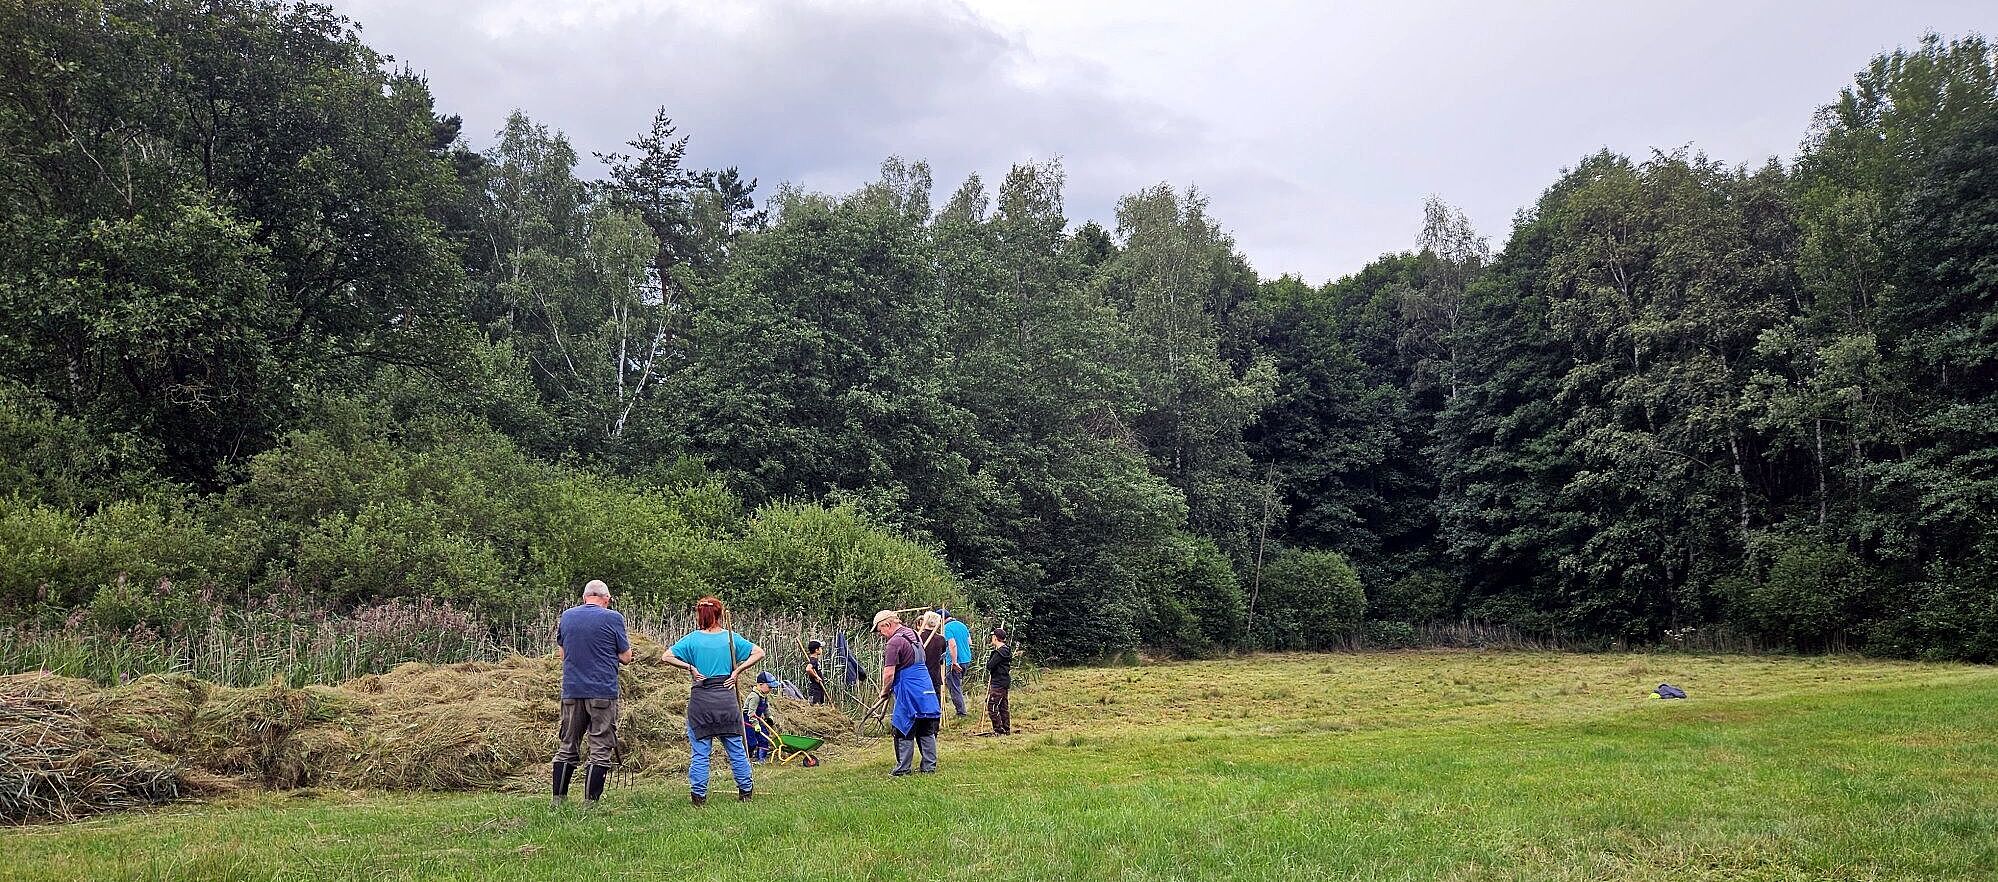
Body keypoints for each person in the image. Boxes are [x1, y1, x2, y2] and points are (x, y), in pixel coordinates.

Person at [662, 596, 765, 805]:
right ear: (719, 615)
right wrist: (737, 671)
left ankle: (698, 798)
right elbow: (759, 652)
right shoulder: (730, 638)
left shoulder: (692, 639)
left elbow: (666, 656)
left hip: (701, 702)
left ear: (700, 615)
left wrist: (690, 667)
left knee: (700, 753)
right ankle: (745, 792)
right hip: (726, 699)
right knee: (736, 749)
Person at [551, 580, 633, 808]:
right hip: (601, 692)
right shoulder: (613, 618)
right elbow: (626, 657)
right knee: (600, 746)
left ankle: (558, 800)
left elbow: (562, 654)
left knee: (568, 744)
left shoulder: (567, 617)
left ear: (585, 597)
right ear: (605, 598)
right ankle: (590, 804)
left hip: (572, 691)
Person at [873, 609, 940, 776]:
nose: (881, 635)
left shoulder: (894, 642)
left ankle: (903, 769)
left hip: (908, 687)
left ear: (887, 624)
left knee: (903, 728)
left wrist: (884, 691)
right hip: (925, 685)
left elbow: (889, 673)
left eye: (880, 630)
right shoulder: (913, 634)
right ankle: (929, 767)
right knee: (926, 726)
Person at [978, 627, 1018, 736]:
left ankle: (999, 730)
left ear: (995, 638)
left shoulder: (999, 653)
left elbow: (990, 665)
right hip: (1004, 681)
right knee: (1003, 706)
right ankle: (1006, 729)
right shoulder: (1006, 650)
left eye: (992, 636)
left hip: (998, 682)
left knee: (992, 705)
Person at [916, 611, 949, 714]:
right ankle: (934, 727)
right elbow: (942, 654)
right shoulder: (941, 639)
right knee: (935, 703)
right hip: (935, 676)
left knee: (920, 704)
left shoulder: (917, 638)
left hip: (920, 676)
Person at [941, 609, 971, 717]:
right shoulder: (962, 625)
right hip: (966, 659)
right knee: (957, 685)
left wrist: (954, 662)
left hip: (955, 661)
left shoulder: (947, 628)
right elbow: (969, 642)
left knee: (954, 687)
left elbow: (952, 645)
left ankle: (961, 713)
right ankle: (962, 710)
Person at [804, 640, 828, 705]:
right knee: (814, 707)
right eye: (820, 648)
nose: (821, 649)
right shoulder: (813, 661)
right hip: (815, 689)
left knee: (820, 706)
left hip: (818, 688)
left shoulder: (815, 660)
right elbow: (808, 669)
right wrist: (817, 676)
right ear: (816, 650)